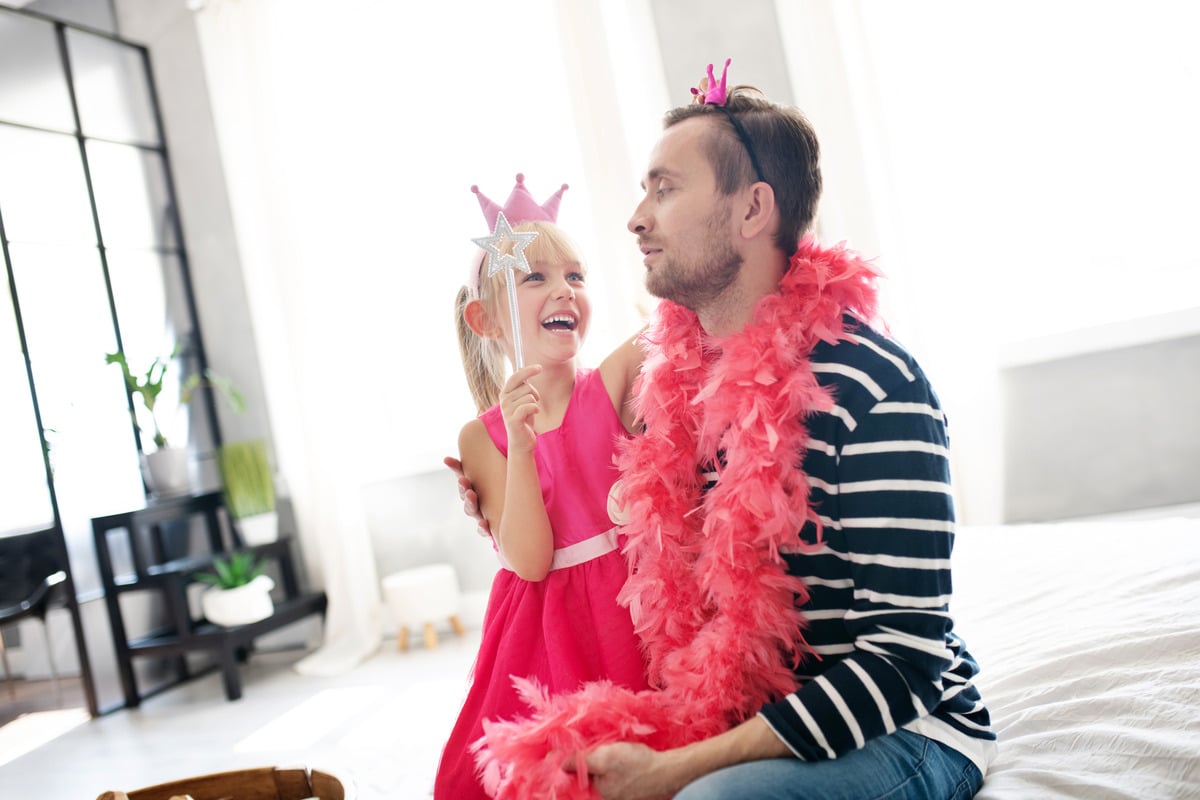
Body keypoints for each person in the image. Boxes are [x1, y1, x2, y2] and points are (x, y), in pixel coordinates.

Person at [451, 61, 997, 800]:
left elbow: (902, 664)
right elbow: (571, 480)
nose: (636, 217)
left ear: (751, 211)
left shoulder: (873, 385)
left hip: (901, 732)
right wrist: (501, 481)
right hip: (746, 710)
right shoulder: (670, 391)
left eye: (665, 189)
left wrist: (680, 768)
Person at [434, 174, 650, 800]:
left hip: (631, 609)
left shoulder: (611, 382)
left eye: (576, 276)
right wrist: (523, 448)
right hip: (546, 632)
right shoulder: (484, 437)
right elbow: (529, 560)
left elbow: (684, 314)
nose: (564, 290)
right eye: (536, 278)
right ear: (486, 319)